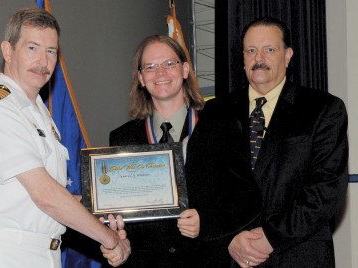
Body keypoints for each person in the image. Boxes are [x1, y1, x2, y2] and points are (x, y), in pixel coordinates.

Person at [0, 7, 130, 267]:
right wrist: (109, 239)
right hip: (6, 255)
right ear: (8, 50)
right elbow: (45, 195)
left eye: (51, 51)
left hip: (46, 253)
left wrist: (102, 207)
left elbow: (52, 195)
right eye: (32, 48)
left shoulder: (39, 113)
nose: (43, 61)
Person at [109, 34, 262, 267]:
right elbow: (120, 212)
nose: (160, 72)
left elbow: (248, 200)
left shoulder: (222, 128)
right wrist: (115, 236)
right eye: (150, 67)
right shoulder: (122, 137)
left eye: (170, 64)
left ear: (185, 70)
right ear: (141, 78)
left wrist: (206, 222)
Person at [226, 17, 349, 267]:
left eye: (269, 49)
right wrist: (228, 238)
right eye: (251, 50)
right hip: (233, 257)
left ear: (288, 55)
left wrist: (271, 237)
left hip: (299, 256)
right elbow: (206, 186)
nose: (258, 58)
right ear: (243, 58)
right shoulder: (216, 112)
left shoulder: (323, 109)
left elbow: (326, 190)